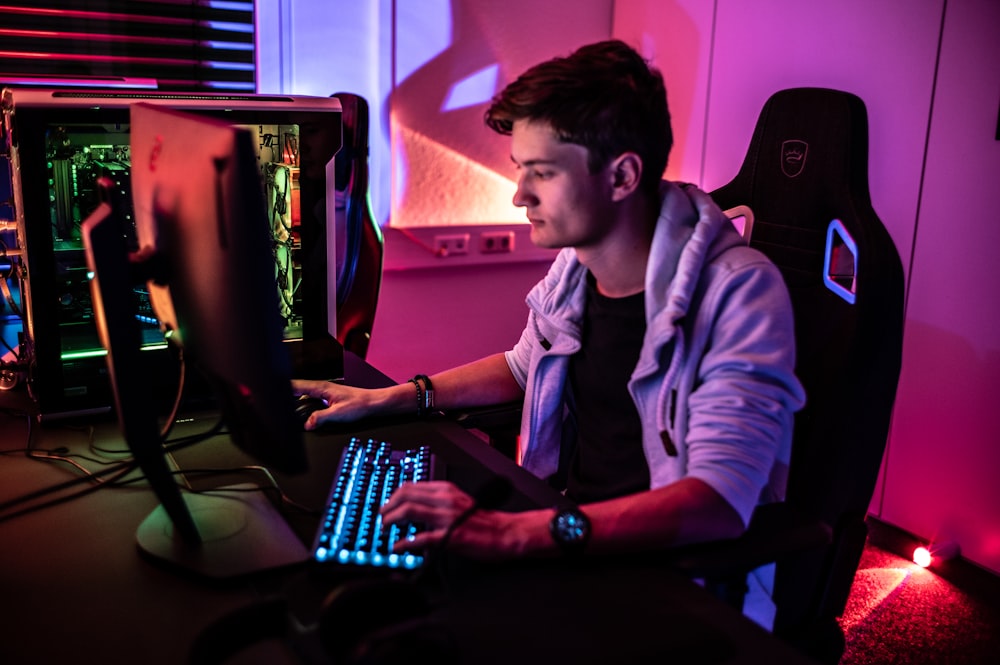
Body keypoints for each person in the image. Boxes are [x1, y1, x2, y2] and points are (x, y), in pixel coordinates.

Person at [294, 39, 804, 622]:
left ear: (622, 176)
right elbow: (523, 365)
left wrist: (510, 534)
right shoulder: (579, 263)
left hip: (668, 577)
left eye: (541, 173)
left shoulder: (739, 292)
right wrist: (392, 397)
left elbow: (717, 503)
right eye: (520, 170)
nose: (519, 195)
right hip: (567, 528)